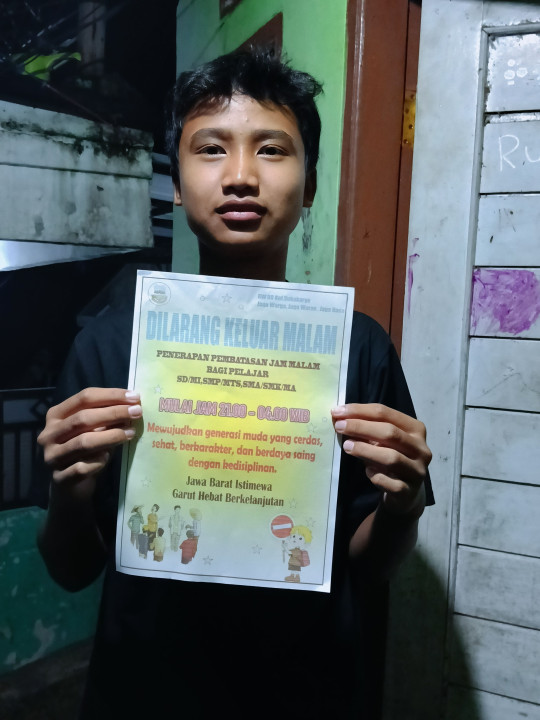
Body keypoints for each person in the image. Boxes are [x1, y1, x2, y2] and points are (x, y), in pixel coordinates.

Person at [35, 49, 433, 719]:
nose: (241, 176)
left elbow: (368, 566)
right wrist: (68, 490)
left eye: (272, 150)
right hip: (143, 694)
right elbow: (72, 570)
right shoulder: (109, 346)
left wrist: (404, 504)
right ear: (176, 184)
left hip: (305, 695)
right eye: (211, 149)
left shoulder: (357, 347)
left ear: (310, 185)